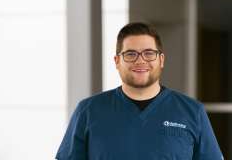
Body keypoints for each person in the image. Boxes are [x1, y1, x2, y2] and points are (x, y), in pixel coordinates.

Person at [56, 22, 223, 160]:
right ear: (117, 61)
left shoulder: (193, 112)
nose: (140, 61)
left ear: (161, 59)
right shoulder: (88, 111)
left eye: (149, 53)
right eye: (130, 54)